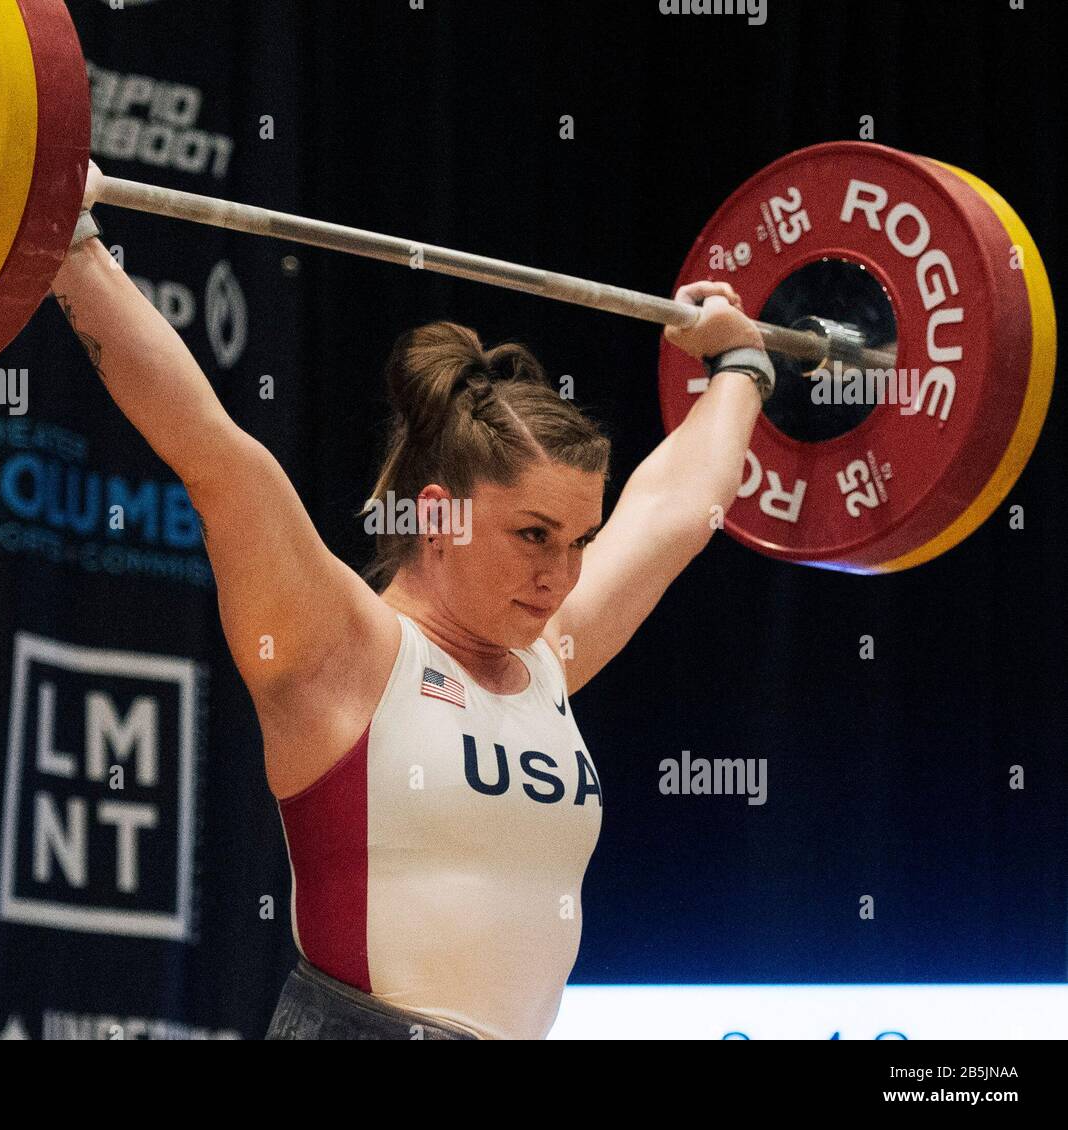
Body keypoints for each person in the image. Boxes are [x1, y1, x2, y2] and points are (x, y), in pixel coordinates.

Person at [51, 162, 770, 1040]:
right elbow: (215, 454)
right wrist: (67, 240)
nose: (563, 576)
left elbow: (673, 511)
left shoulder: (551, 655)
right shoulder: (346, 649)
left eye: (580, 542)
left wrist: (740, 363)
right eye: (534, 535)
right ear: (440, 516)